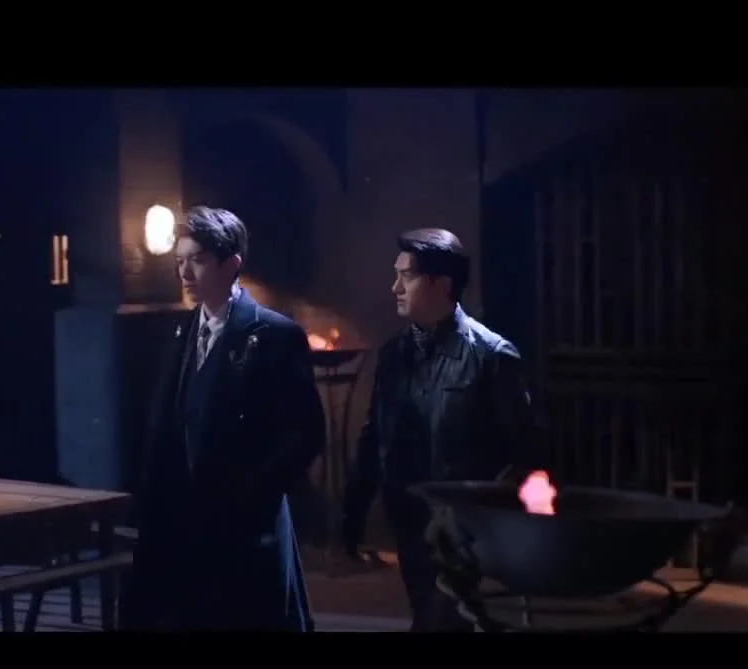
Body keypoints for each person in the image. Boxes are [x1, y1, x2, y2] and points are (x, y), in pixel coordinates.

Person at [121, 205, 325, 631]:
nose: (185, 273)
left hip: (245, 520)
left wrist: (251, 494)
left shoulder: (275, 335)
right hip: (184, 519)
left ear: (231, 264)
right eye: (180, 261)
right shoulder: (181, 331)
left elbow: (303, 434)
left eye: (197, 260)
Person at [341, 228, 536, 632]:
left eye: (406, 276)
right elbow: (375, 435)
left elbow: (525, 452)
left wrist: (490, 518)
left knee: (442, 617)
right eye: (396, 275)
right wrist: (353, 514)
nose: (395, 287)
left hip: (462, 526)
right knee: (429, 611)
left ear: (441, 283)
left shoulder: (490, 355)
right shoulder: (395, 354)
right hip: (408, 517)